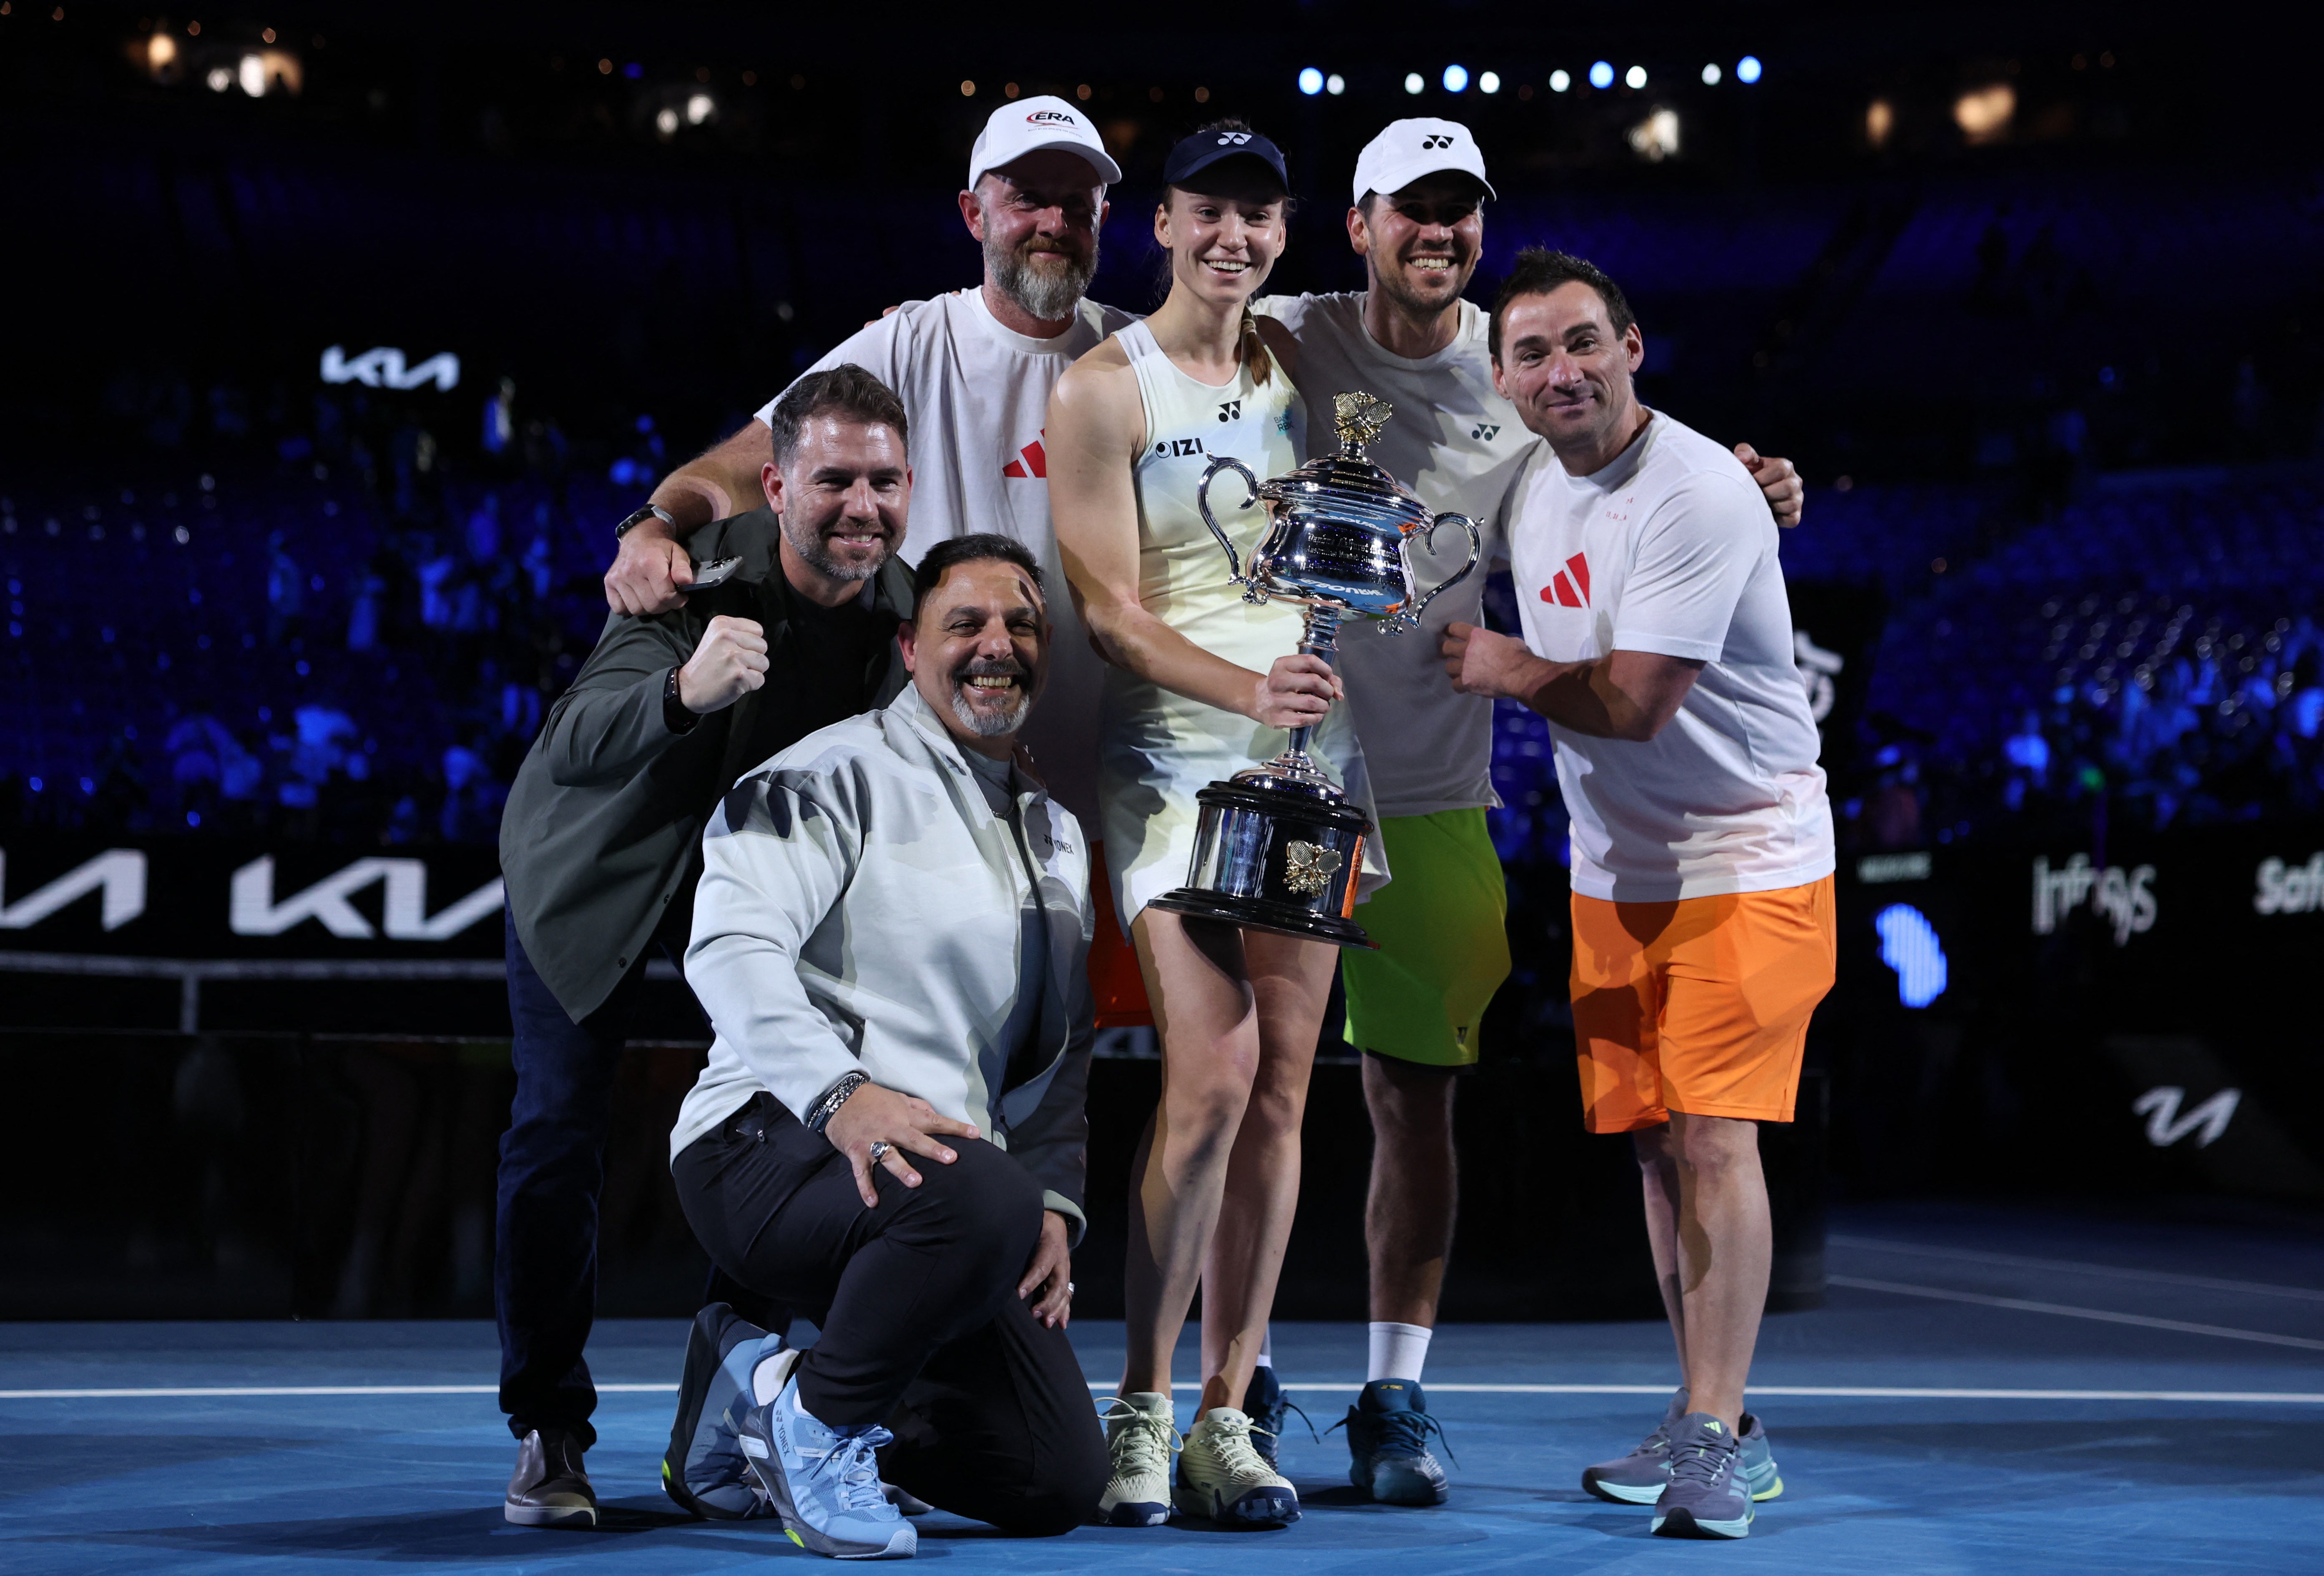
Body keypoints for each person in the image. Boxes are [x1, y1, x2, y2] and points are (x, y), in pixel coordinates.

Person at [1247, 118, 1804, 1506]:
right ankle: (1217, 1393)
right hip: (1422, 814)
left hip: (1624, 828)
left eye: (1459, 213)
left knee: (1655, 1132)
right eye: (1409, 210)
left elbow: (1637, 645)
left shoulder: (1611, 436)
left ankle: (1673, 1429)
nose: (1557, 371)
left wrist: (1752, 499)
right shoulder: (1309, 349)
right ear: (1359, 220)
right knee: (1651, 1149)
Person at [1442, 248, 1837, 1541]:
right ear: (1501, 379)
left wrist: (1503, 666)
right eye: (1531, 354)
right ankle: (1712, 1412)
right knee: (1662, 1149)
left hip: (1746, 855)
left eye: (1580, 343)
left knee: (1718, 1136)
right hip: (1616, 868)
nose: (1559, 372)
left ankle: (1713, 1438)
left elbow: (1631, 700)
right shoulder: (1525, 482)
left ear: (1631, 345)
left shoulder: (1696, 490)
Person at [493, 366, 918, 1528]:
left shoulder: (908, 609)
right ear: (778, 486)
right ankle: (548, 1427)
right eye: (833, 479)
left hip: (756, 899)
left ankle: (728, 1390)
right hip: (596, 877)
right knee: (556, 1134)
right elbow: (576, 741)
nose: (859, 506)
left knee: (801, 1120)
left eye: (883, 481)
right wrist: (683, 689)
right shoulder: (694, 578)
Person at [1047, 120, 1377, 1531]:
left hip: (1309, 752)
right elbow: (1114, 615)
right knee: (1214, 1077)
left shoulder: (1307, 366)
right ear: (1162, 224)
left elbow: (1474, 364)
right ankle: (1138, 1404)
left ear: (1282, 233)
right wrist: (1248, 680)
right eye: (1206, 213)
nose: (1231, 238)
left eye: (1256, 216)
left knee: (1289, 1084)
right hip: (1176, 754)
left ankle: (1228, 1417)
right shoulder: (1101, 389)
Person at [668, 535, 1106, 1559]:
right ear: (911, 649)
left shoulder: (1056, 833)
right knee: (980, 1189)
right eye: (966, 624)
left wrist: (1048, 1199)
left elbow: (1064, 1049)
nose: (996, 645)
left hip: (940, 1191)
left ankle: (753, 1392)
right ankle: (813, 1427)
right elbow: (730, 947)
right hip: (769, 1145)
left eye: (1022, 626)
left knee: (1053, 1479)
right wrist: (843, 1097)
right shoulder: (833, 769)